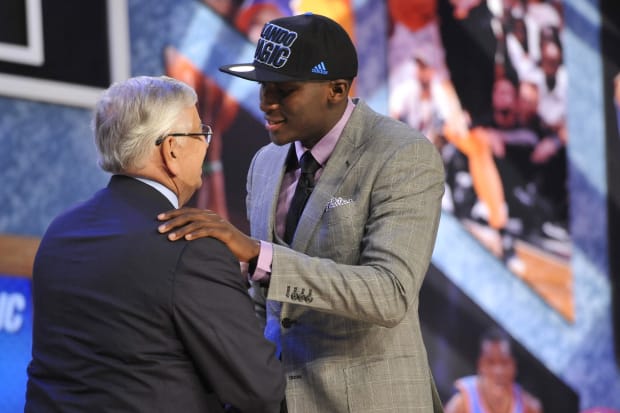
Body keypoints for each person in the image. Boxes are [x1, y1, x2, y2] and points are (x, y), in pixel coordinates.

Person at [158, 13, 445, 412]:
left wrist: (258, 255)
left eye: (283, 90)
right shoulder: (265, 163)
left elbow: (389, 293)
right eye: (261, 87)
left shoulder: (401, 155)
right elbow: (264, 303)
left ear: (337, 89)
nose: (265, 103)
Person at [25, 75, 285, 413]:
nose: (206, 144)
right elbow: (259, 389)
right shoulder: (189, 245)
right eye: (200, 132)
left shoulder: (61, 232)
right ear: (172, 149)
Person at [444, 328, 543, 413]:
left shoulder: (529, 407)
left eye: (504, 362)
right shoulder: (461, 404)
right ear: (480, 365)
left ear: (514, 365)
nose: (498, 371)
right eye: (491, 362)